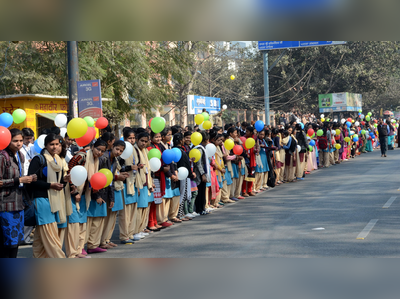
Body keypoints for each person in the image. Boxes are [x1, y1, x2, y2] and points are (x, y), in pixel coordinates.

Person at [28, 133, 68, 258]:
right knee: (51, 238)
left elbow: (59, 184)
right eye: (51, 144)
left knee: (40, 240)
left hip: (54, 200)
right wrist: (50, 185)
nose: (54, 147)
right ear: (45, 145)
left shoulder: (58, 161)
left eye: (57, 144)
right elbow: (31, 181)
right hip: (41, 200)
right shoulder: (39, 159)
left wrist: (65, 180)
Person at [0, 129, 37, 258]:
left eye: (21, 140)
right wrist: (19, 180)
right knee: (7, 241)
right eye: (15, 141)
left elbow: (20, 178)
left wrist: (29, 178)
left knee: (16, 241)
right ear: (7, 140)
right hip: (5, 205)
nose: (19, 143)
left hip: (18, 203)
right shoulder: (2, 156)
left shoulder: (20, 155)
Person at [67, 140, 102, 258]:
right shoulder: (81, 156)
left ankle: (79, 249)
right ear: (92, 147)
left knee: (82, 223)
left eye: (102, 151)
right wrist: (75, 191)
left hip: (84, 194)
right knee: (74, 224)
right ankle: (72, 252)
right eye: (98, 149)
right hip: (74, 193)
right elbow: (70, 171)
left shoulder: (95, 160)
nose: (100, 152)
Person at [100, 140, 127, 249]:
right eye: (117, 149)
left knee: (112, 217)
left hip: (111, 190)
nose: (118, 152)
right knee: (104, 218)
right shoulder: (105, 157)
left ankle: (106, 239)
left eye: (121, 151)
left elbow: (110, 178)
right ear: (112, 146)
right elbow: (105, 175)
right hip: (103, 191)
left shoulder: (115, 160)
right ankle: (102, 241)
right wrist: (117, 177)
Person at [118, 129, 140, 243]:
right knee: (125, 212)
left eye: (133, 138)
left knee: (132, 211)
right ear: (125, 138)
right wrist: (129, 168)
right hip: (125, 183)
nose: (132, 140)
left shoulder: (135, 149)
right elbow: (118, 168)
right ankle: (124, 235)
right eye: (130, 138)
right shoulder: (122, 151)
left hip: (134, 182)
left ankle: (131, 233)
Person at [193, 131, 211, 215]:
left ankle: (202, 208)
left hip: (202, 173)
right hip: (199, 174)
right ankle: (199, 209)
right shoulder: (199, 149)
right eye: (207, 140)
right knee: (200, 192)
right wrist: (203, 174)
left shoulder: (202, 148)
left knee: (202, 191)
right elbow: (199, 163)